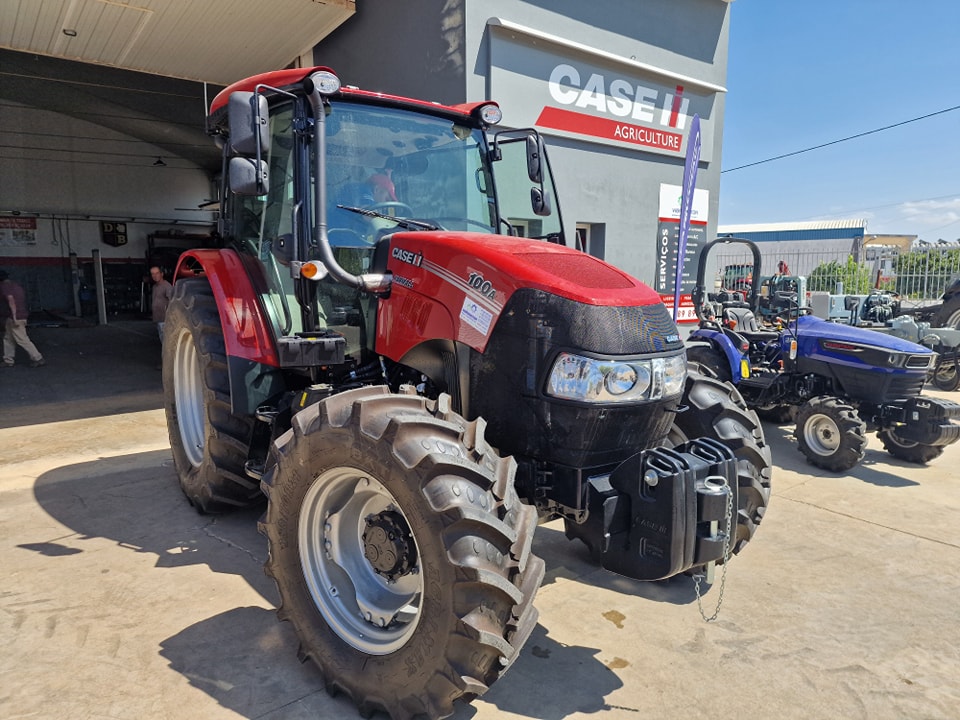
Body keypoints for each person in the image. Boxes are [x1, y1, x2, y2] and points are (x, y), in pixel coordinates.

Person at [0, 269, 45, 368]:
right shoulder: (16, 286)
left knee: (22, 339)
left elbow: (11, 300)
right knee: (8, 338)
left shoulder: (4, 287)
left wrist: (14, 317)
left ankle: (37, 358)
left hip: (15, 317)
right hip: (19, 315)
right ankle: (8, 360)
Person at [150, 266, 173, 343]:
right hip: (158, 319)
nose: (155, 275)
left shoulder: (167, 286)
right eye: (153, 274)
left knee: (166, 341)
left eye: (157, 273)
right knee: (162, 340)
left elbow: (172, 301)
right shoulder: (154, 287)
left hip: (165, 320)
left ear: (162, 274)